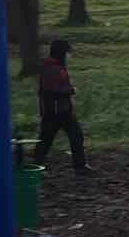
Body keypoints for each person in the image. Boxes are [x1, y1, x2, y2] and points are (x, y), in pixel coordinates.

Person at [33, 39, 93, 174]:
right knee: (50, 139)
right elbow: (53, 89)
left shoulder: (52, 66)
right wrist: (71, 90)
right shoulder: (52, 68)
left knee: (51, 138)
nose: (69, 55)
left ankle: (37, 165)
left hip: (59, 109)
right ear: (62, 53)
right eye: (67, 52)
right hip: (56, 111)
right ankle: (79, 166)